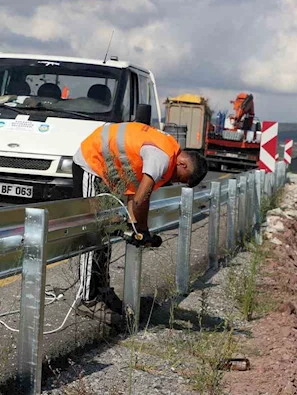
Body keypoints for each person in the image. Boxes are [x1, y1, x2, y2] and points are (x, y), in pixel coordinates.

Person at [72, 121, 209, 322]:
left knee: (104, 238)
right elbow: (139, 199)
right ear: (183, 164)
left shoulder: (167, 151)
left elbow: (139, 198)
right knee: (93, 234)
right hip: (91, 164)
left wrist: (142, 230)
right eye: (181, 178)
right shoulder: (162, 158)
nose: (176, 181)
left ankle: (101, 292)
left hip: (104, 169)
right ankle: (87, 300)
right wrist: (138, 229)